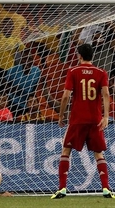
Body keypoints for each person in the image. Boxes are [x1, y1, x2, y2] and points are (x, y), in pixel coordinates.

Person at [51, 43, 115, 199]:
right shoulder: (101, 72)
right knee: (98, 154)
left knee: (66, 151)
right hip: (95, 120)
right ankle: (106, 188)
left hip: (78, 120)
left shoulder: (73, 71)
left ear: (79, 55)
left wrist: (61, 115)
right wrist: (106, 116)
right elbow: (106, 95)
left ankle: (62, 189)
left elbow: (66, 96)